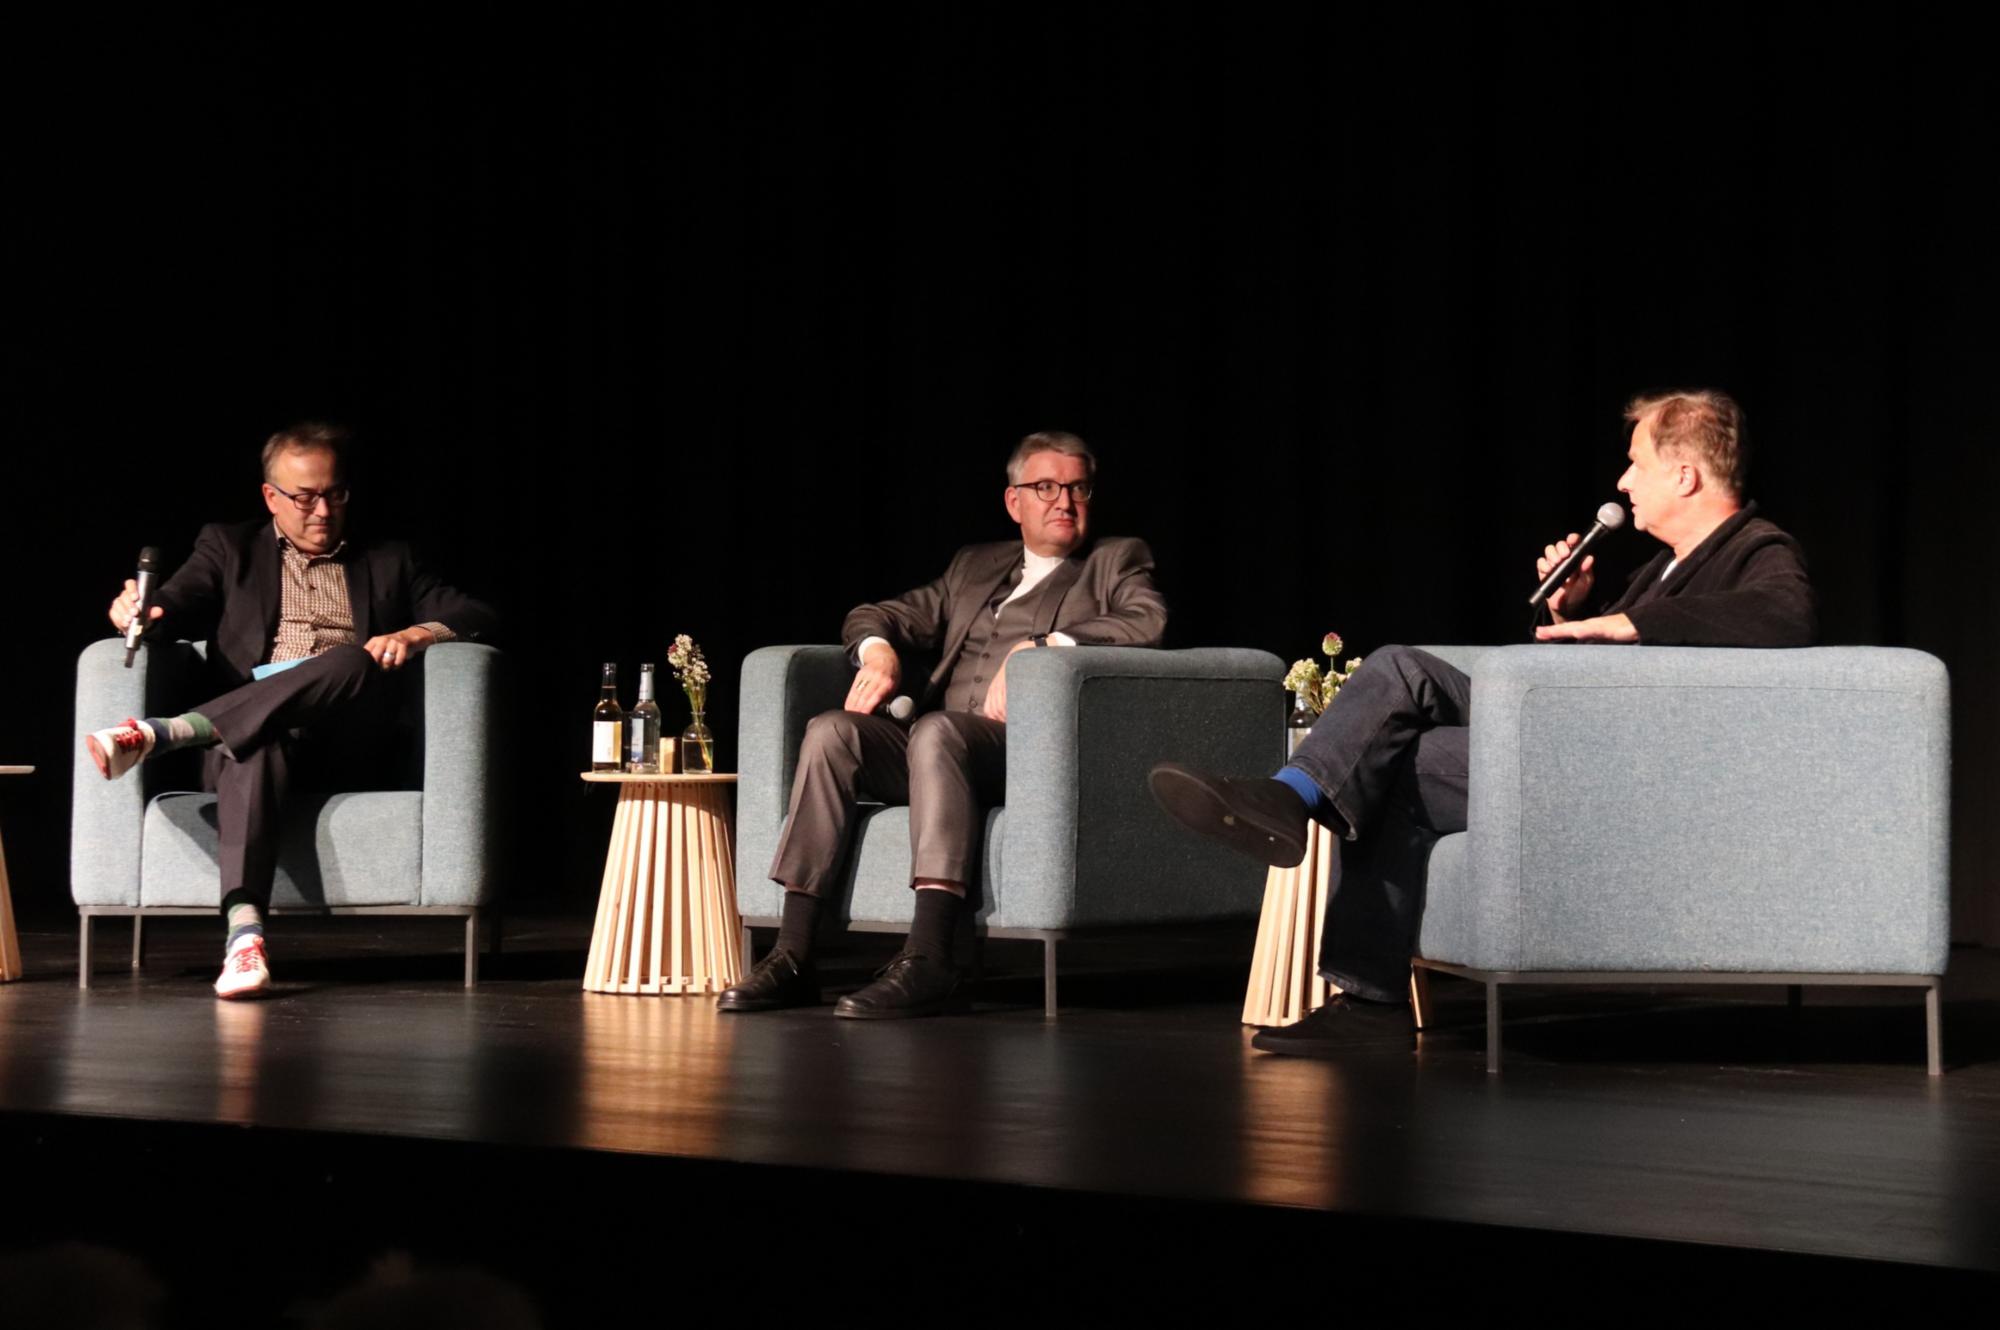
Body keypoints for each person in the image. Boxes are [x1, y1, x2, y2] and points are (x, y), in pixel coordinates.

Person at [1150, 390, 1816, 1056]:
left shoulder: (1758, 549)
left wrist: (1626, 622)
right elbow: (1609, 673)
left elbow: (1786, 617)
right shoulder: (1658, 569)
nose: (1622, 482)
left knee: (1398, 722)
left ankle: (1303, 830)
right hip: (1575, 742)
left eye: (1635, 463)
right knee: (1398, 693)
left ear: (1684, 475)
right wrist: (1570, 611)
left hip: (1621, 772)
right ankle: (1307, 840)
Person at [721, 430, 1168, 1019]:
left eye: (1078, 487)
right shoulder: (975, 567)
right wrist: (878, 651)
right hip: (935, 755)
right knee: (831, 731)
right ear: (1015, 502)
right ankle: (795, 955)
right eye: (1046, 487)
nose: (1065, 501)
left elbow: (1147, 623)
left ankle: (932, 956)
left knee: (939, 730)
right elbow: (874, 614)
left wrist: (1043, 646)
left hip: (1022, 754)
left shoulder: (1114, 560)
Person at [83, 423, 499, 999]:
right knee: (252, 743)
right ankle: (245, 939)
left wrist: (417, 633)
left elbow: (478, 612)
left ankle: (169, 732)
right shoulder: (228, 548)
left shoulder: (390, 558)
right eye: (305, 497)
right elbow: (171, 609)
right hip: (252, 737)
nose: (323, 510)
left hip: (344, 739)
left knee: (353, 660)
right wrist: (139, 610)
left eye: (335, 493)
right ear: (270, 497)